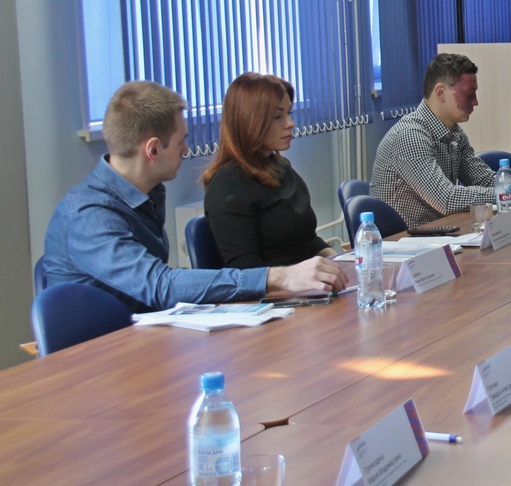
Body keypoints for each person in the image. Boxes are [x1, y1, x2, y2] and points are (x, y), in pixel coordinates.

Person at [42, 81, 345, 313]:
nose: (187, 150)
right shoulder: (89, 215)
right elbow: (160, 285)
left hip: (144, 336)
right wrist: (277, 277)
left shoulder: (147, 194)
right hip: (98, 356)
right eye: (182, 141)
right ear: (153, 149)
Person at [371, 53, 511, 228]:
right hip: (403, 242)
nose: (475, 102)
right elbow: (446, 199)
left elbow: (485, 180)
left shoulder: (454, 133)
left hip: (441, 232)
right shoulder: (410, 136)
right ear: (440, 92)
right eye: (469, 94)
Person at [202, 73, 337, 269]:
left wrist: (340, 260)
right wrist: (301, 276)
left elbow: (307, 240)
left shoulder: (280, 167)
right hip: (273, 286)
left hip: (305, 280)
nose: (290, 123)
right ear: (249, 121)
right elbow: (247, 270)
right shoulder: (227, 184)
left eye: (289, 113)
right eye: (277, 116)